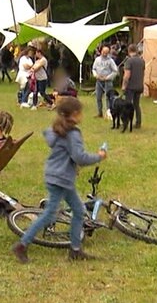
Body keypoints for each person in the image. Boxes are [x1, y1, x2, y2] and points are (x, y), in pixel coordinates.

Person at [11, 97, 106, 263]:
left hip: (56, 176)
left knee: (78, 211)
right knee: (49, 214)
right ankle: (22, 244)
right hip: (61, 179)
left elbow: (67, 155)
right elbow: (79, 157)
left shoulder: (57, 129)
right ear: (75, 114)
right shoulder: (72, 133)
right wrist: (99, 156)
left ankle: (75, 250)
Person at [122, 44, 146, 129]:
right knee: (136, 105)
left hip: (131, 87)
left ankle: (126, 121)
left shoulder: (129, 61)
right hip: (139, 86)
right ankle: (138, 122)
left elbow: (127, 75)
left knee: (127, 105)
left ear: (129, 51)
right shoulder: (142, 61)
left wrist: (124, 86)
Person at [92, 46, 118, 118]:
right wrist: (96, 75)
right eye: (103, 52)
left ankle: (109, 113)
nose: (104, 54)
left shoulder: (110, 61)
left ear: (108, 53)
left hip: (108, 82)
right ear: (101, 52)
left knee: (108, 98)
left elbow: (115, 71)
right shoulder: (97, 60)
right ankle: (99, 113)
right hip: (99, 81)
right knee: (98, 97)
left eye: (106, 53)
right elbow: (94, 69)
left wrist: (108, 77)